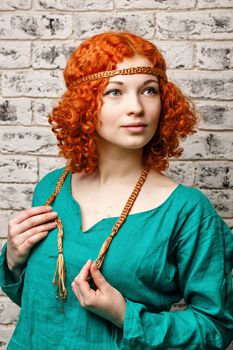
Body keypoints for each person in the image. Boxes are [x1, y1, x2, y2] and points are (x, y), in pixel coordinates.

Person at [0, 31, 232, 350]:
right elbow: (43, 304)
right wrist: (12, 259)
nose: (136, 107)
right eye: (114, 92)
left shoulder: (187, 212)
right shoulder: (50, 189)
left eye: (149, 90)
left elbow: (215, 327)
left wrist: (127, 316)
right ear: (84, 104)